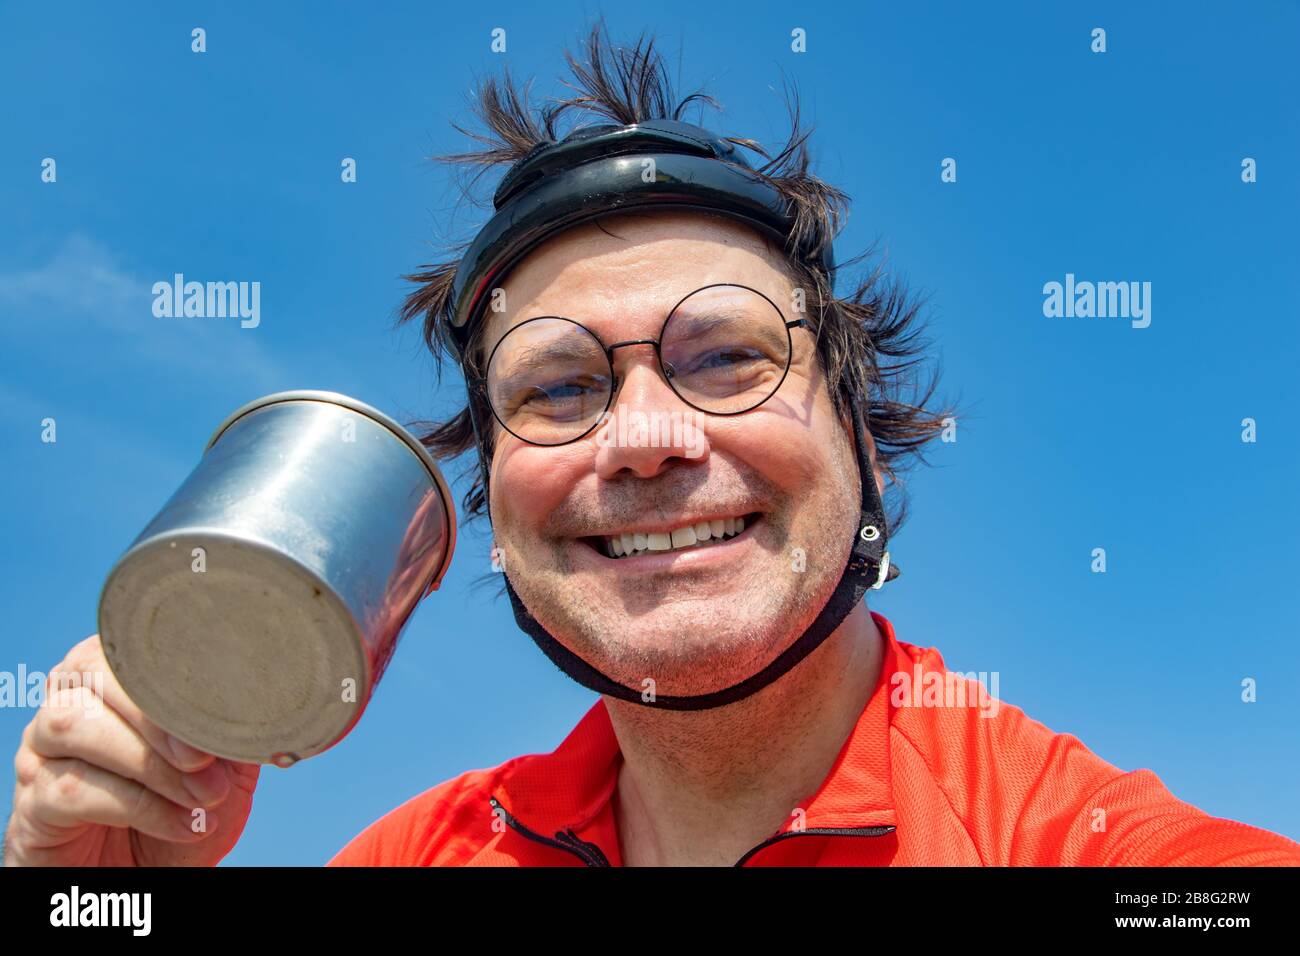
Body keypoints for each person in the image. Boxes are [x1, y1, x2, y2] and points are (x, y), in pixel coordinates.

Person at [6, 23, 1298, 868]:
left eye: (729, 357)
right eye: (557, 387)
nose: (643, 438)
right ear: (501, 521)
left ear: (870, 451)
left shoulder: (1098, 854)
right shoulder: (424, 855)